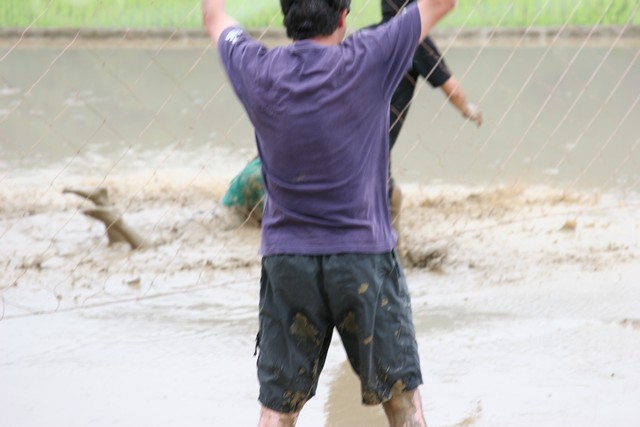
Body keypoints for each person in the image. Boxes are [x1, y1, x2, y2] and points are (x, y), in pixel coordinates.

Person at [202, 0, 456, 426]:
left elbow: (215, 19)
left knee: (278, 410)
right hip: (364, 260)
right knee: (403, 404)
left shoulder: (256, 67)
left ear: (287, 16)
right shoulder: (371, 55)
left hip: (288, 263)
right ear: (342, 16)